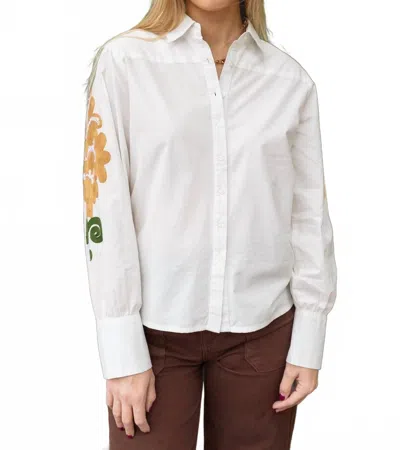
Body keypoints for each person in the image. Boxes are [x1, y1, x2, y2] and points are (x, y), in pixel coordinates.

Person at [82, 1, 337, 448]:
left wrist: (310, 337)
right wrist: (120, 349)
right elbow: (104, 206)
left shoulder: (289, 82)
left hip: (263, 332)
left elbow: (308, 216)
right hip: (152, 336)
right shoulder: (125, 62)